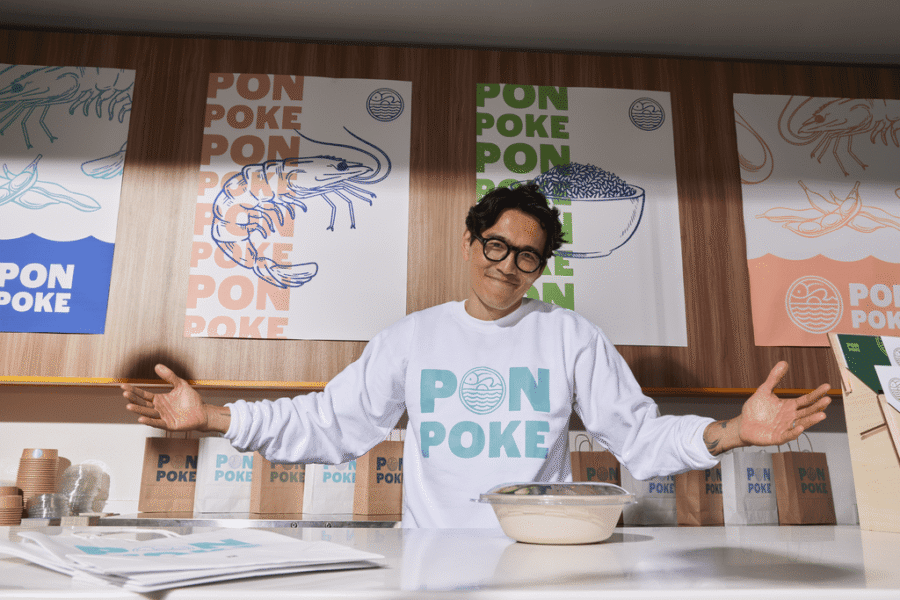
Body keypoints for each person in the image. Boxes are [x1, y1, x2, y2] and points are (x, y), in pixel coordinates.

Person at [122, 183, 831, 528]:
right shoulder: (411, 338)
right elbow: (330, 425)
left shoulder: (569, 335)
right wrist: (211, 417)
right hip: (430, 562)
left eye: (527, 255)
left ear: (540, 267)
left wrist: (736, 432)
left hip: (540, 556)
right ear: (471, 245)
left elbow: (640, 439)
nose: (508, 265)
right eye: (497, 246)